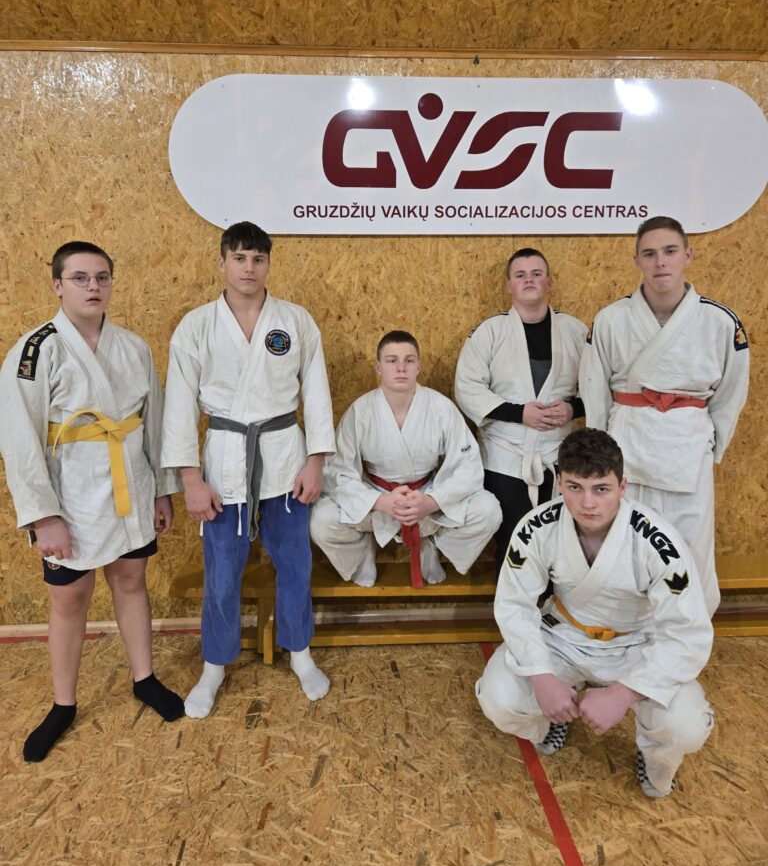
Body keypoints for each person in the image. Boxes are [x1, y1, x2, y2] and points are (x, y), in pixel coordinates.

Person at [0, 241, 184, 762]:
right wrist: (44, 517)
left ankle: (144, 678)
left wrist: (162, 489)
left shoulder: (132, 346)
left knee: (130, 580)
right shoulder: (35, 351)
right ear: (57, 285)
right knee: (70, 599)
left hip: (131, 485)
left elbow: (154, 421)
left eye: (101, 277)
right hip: (71, 497)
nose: (93, 287)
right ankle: (63, 704)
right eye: (80, 278)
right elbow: (19, 439)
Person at [476, 428, 714, 798]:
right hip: (565, 636)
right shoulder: (537, 527)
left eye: (601, 488)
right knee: (499, 697)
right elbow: (514, 605)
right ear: (559, 483)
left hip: (637, 643)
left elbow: (687, 633)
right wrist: (542, 677)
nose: (588, 503)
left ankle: (655, 757)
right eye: (575, 487)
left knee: (687, 725)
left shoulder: (657, 542)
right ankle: (549, 721)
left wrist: (623, 695)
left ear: (622, 486)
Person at [161, 221, 335, 717]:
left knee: (295, 564)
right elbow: (179, 407)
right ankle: (214, 664)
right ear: (221, 263)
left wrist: (316, 461)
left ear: (268, 264)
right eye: (239, 258)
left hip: (285, 456)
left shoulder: (295, 320)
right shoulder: (196, 325)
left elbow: (316, 392)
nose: (249, 267)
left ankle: (300, 652)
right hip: (224, 462)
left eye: (258, 258)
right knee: (222, 574)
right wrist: (190, 479)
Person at [579, 216, 749, 615]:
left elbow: (731, 393)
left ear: (687, 255)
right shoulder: (611, 319)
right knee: (629, 541)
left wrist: (711, 443)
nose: (660, 262)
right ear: (637, 260)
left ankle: (690, 628)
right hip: (628, 442)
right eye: (650, 253)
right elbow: (593, 389)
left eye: (670, 251)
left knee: (691, 545)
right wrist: (602, 453)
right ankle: (628, 626)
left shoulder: (719, 321)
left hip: (688, 443)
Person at [311, 331, 502, 587]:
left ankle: (432, 543)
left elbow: (467, 467)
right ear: (379, 367)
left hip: (426, 498)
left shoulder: (441, 407)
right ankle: (361, 553)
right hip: (377, 500)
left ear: (418, 366)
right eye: (392, 360)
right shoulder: (361, 411)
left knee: (488, 510)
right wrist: (380, 502)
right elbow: (338, 471)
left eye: (409, 360)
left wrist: (431, 501)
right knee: (321, 520)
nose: (401, 368)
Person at [455, 248, 587, 576]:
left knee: (560, 541)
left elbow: (597, 386)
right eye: (520, 275)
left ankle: (554, 604)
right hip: (505, 457)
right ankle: (512, 607)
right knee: (513, 542)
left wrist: (572, 408)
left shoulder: (575, 331)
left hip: (559, 455)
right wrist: (519, 414)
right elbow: (467, 388)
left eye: (536, 273)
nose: (529, 280)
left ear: (549, 282)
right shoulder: (489, 332)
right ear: (509, 286)